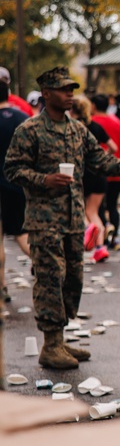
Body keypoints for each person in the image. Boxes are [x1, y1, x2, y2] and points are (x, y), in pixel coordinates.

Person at [5, 67, 120, 370]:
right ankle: (50, 345)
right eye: (62, 89)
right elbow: (13, 169)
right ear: (46, 94)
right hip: (44, 220)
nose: (69, 94)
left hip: (73, 220)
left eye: (71, 89)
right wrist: (44, 179)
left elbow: (101, 161)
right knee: (50, 279)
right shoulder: (30, 130)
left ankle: (59, 338)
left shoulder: (77, 130)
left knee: (72, 281)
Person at [70, 96, 113, 263]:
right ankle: (100, 248)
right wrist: (102, 159)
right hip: (100, 175)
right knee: (94, 212)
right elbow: (114, 147)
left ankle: (89, 229)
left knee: (81, 210)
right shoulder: (96, 126)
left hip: (83, 174)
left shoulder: (74, 127)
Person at [0, 78, 30, 303]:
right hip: (17, 184)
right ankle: (45, 267)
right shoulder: (23, 119)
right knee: (21, 233)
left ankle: (2, 287)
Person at [90, 94, 120, 250]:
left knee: (97, 208)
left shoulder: (91, 123)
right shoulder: (117, 122)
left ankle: (103, 233)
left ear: (93, 106)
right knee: (113, 206)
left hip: (98, 172)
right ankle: (115, 237)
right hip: (117, 171)